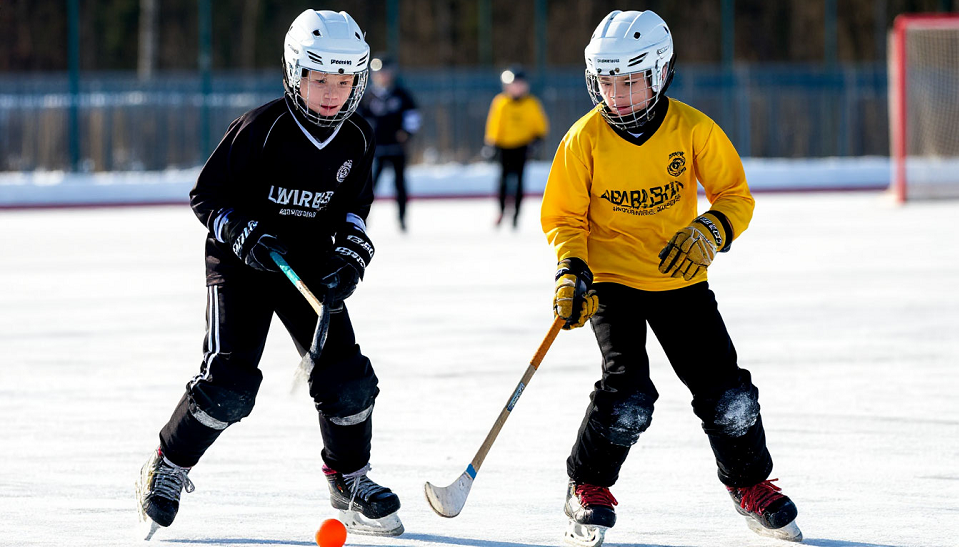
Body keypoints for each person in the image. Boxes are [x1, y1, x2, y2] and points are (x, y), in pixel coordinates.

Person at [134, 9, 403, 539]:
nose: (331, 93)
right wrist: (245, 233)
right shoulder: (262, 128)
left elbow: (355, 210)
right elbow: (205, 195)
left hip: (306, 266)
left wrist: (350, 255)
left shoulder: (358, 139)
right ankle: (168, 463)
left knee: (348, 380)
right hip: (242, 264)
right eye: (319, 79)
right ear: (295, 73)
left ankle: (348, 479)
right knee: (230, 383)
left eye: (343, 80)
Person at [541, 10, 801, 546]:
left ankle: (751, 485)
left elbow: (735, 197)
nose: (618, 96)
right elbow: (564, 218)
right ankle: (586, 486)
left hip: (679, 279)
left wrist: (712, 229)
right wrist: (572, 270)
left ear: (660, 73)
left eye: (631, 81)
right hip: (611, 282)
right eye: (607, 83)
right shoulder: (583, 139)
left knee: (728, 393)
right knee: (629, 394)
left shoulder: (694, 128)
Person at [358, 55, 421, 232]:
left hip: (396, 148)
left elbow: (413, 117)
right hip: (375, 150)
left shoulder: (402, 95)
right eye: (379, 72)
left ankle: (402, 219)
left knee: (400, 185)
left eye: (386, 72)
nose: (383, 76)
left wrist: (407, 133)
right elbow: (358, 121)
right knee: (369, 187)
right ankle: (362, 220)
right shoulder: (367, 97)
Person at [484, 66, 549, 229]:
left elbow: (540, 125)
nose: (517, 88)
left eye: (520, 84)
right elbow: (494, 124)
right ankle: (501, 210)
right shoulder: (501, 102)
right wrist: (491, 143)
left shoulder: (531, 104)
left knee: (520, 181)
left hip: (522, 146)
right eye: (514, 84)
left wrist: (536, 140)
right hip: (504, 147)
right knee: (503, 181)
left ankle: (516, 214)